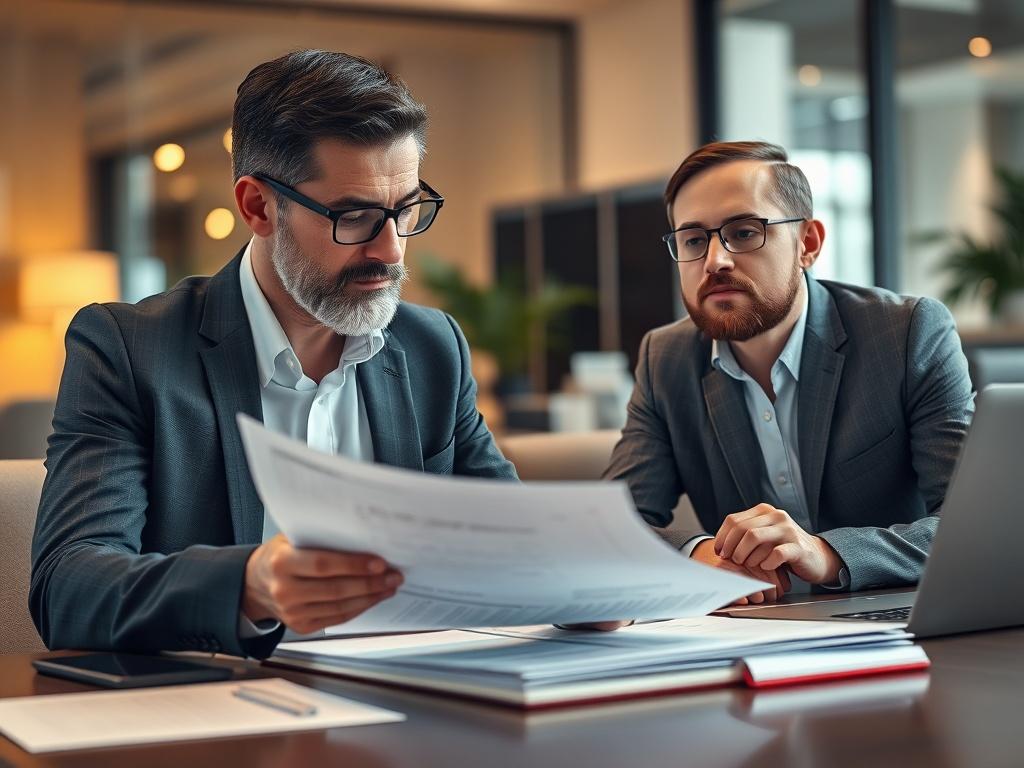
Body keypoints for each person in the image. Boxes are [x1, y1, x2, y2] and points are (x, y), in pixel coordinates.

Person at [30, 50, 516, 659]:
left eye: (406, 210)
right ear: (258, 206)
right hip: (221, 718)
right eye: (355, 216)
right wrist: (249, 586)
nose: (391, 252)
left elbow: (512, 540)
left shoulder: (432, 349)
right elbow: (68, 590)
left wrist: (586, 590)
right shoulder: (129, 350)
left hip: (415, 708)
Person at [605, 140, 974, 605]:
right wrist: (698, 553)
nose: (715, 261)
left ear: (808, 243)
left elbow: (973, 523)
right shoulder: (665, 358)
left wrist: (830, 554)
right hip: (747, 638)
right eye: (694, 240)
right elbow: (613, 527)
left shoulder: (906, 335)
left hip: (897, 624)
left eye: (743, 232)